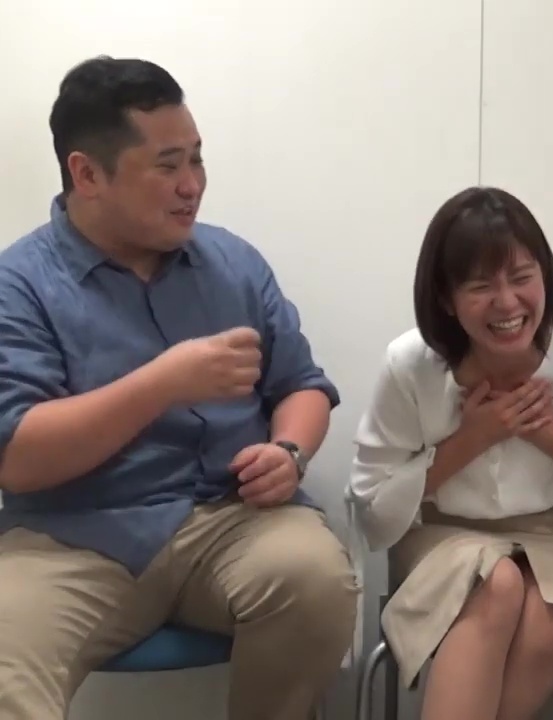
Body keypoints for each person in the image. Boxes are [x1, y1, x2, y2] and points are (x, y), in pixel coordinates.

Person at [0, 57, 357, 719]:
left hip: (232, 519)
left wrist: (289, 452)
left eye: (196, 159)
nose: (192, 185)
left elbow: (302, 385)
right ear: (87, 174)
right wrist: (163, 383)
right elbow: (18, 458)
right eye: (167, 166)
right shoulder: (18, 285)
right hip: (71, 537)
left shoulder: (232, 262)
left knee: (316, 580)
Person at [347, 186, 553, 720]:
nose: (508, 302)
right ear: (446, 299)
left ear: (545, 277)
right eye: (481, 286)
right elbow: (372, 506)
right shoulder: (410, 365)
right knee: (499, 582)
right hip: (440, 535)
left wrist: (548, 435)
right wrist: (474, 437)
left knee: (550, 618)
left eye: (521, 278)